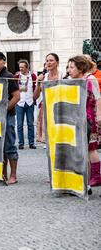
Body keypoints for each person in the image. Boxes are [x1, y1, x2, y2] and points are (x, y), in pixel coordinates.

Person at [67, 55, 101, 186]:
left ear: (80, 68)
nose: (69, 70)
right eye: (68, 67)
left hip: (89, 117)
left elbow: (98, 98)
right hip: (78, 117)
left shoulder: (90, 79)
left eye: (72, 67)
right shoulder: (75, 79)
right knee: (83, 148)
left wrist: (98, 115)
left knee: (90, 148)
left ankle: (96, 176)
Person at [0, 51, 20, 184]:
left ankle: (13, 175)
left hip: (8, 116)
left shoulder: (9, 76)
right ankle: (2, 173)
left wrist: (5, 109)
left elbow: (17, 96)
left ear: (4, 62)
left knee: (9, 145)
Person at [34, 53, 66, 148]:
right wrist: (39, 83)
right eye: (47, 61)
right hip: (46, 109)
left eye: (51, 60)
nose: (48, 63)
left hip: (60, 109)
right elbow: (35, 97)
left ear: (57, 62)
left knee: (60, 139)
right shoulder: (44, 77)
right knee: (49, 141)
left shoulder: (63, 76)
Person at [14, 60, 37, 150]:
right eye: (20, 67)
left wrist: (35, 99)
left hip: (29, 102)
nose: (21, 69)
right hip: (20, 102)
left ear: (27, 67)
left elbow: (36, 87)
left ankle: (31, 143)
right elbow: (13, 88)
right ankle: (21, 143)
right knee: (19, 125)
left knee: (30, 124)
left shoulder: (33, 76)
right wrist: (20, 88)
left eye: (22, 67)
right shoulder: (16, 76)